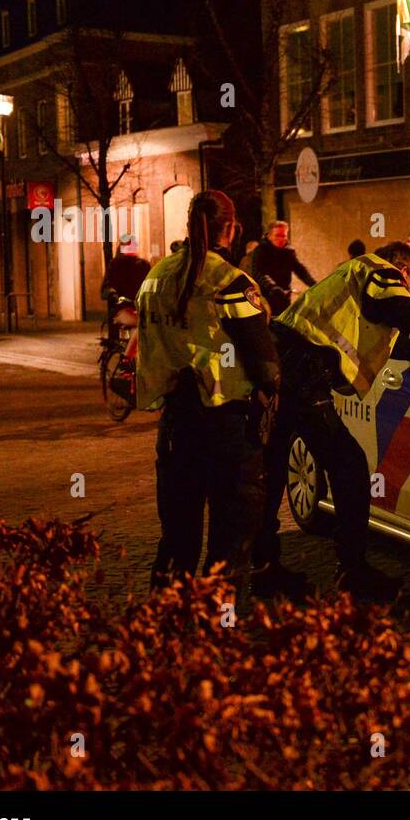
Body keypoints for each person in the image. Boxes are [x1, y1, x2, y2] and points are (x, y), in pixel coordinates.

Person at [258, 239, 410, 599]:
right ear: (403, 267)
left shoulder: (356, 269)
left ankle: (263, 566)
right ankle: (352, 573)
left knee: (273, 466)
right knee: (349, 466)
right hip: (303, 371)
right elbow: (396, 306)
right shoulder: (382, 271)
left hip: (281, 364)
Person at [136, 190, 288, 596]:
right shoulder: (231, 282)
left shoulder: (155, 277)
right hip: (227, 429)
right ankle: (217, 630)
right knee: (230, 541)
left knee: (177, 537)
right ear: (231, 228)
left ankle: (164, 622)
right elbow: (265, 365)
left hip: (175, 425)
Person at [241, 220, 315, 316]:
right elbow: (259, 273)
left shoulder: (288, 252)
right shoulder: (261, 251)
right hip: (264, 299)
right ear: (269, 236)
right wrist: (273, 287)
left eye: (283, 236)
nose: (281, 239)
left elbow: (300, 270)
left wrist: (313, 284)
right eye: (277, 235)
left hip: (284, 298)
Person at [101, 238, 150, 322]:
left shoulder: (116, 264)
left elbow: (106, 288)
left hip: (129, 307)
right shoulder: (142, 264)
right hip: (132, 307)